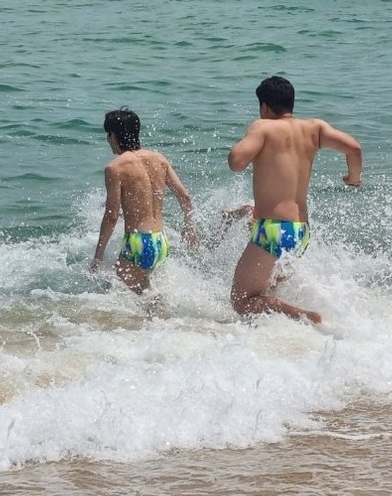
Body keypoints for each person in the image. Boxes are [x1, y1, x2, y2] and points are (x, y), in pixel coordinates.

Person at [227, 76, 363, 323]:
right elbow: (354, 148)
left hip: (273, 229)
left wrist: (252, 139)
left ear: (264, 107)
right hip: (300, 231)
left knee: (241, 301)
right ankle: (278, 340)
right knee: (265, 295)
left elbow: (236, 161)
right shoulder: (316, 129)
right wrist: (353, 178)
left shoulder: (263, 127)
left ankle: (304, 316)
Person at [91, 108, 199, 294]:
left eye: (108, 135)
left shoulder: (115, 167)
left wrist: (98, 255)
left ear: (114, 135)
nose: (108, 140)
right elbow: (185, 197)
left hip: (137, 243)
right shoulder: (159, 159)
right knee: (148, 297)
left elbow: (112, 215)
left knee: (118, 296)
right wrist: (190, 228)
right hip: (160, 241)